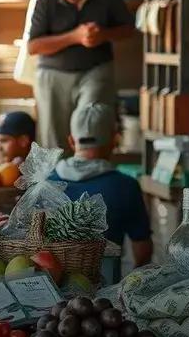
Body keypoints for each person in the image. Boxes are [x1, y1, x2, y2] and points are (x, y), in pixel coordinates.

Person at [25, 0, 136, 151]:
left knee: (93, 128)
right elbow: (33, 46)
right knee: (53, 140)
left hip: (95, 69)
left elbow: (128, 29)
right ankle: (55, 172)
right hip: (53, 74)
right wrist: (74, 37)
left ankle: (92, 169)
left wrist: (103, 34)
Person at [51, 102, 152, 267]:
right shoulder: (126, 186)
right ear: (114, 139)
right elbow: (142, 250)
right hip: (105, 282)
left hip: (51, 280)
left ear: (71, 141)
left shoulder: (47, 182)